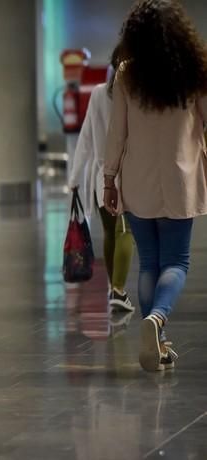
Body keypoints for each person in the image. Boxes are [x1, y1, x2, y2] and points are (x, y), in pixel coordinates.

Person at [103, 0, 207, 372]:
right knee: (177, 261)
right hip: (182, 178)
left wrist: (108, 179)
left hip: (137, 177)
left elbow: (117, 133)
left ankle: (157, 342)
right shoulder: (196, 71)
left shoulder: (127, 73)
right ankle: (157, 319)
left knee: (150, 262)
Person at [69, 49, 135, 314]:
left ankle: (112, 288)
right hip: (128, 172)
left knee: (110, 232)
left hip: (100, 176)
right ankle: (118, 290)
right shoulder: (133, 95)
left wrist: (74, 177)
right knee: (125, 231)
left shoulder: (97, 93)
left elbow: (85, 137)